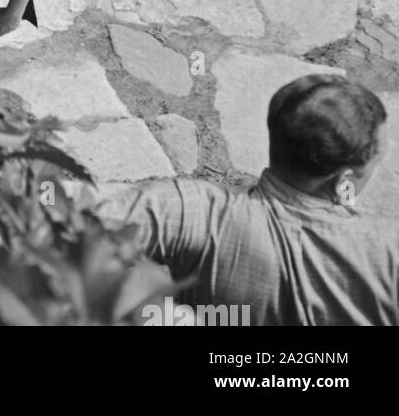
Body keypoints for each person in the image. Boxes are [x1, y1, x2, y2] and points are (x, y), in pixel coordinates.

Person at [117, 76, 398, 326]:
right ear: (344, 179)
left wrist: (160, 316)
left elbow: (78, 223)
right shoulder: (387, 254)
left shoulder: (193, 211)